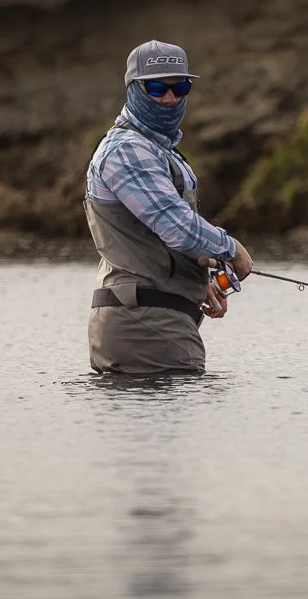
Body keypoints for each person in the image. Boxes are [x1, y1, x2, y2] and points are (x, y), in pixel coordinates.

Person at [84, 40, 254, 374]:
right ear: (133, 89)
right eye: (157, 87)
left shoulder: (157, 151)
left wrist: (193, 281)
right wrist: (233, 250)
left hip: (157, 321)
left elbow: (150, 239)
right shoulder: (127, 150)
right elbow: (175, 225)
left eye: (180, 87)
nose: (170, 98)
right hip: (145, 327)